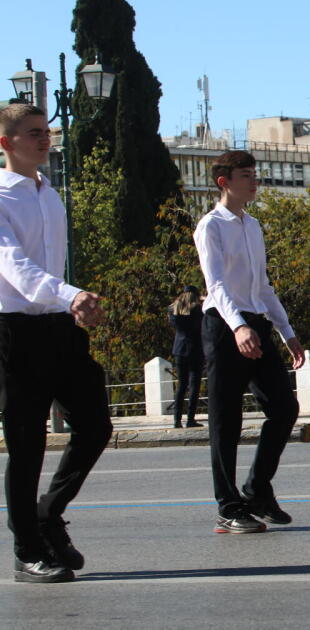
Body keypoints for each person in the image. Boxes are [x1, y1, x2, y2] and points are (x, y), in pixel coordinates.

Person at [0, 103, 113, 583]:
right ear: (6, 143)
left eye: (46, 132)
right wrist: (73, 294)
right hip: (15, 332)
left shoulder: (50, 195)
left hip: (58, 326)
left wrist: (73, 303)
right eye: (32, 134)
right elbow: (18, 271)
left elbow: (51, 270)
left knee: (96, 425)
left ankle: (49, 512)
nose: (44, 140)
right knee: (27, 445)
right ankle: (28, 549)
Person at [194, 150, 306, 534]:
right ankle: (228, 505)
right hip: (224, 325)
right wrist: (239, 327)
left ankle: (257, 488)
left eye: (255, 174)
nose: (254, 181)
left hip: (254, 321)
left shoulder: (252, 225)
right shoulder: (211, 226)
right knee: (226, 421)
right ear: (225, 182)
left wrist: (287, 332)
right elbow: (217, 285)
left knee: (284, 408)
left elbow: (262, 285)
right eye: (246, 175)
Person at [169, 285, 204, 428]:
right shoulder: (198, 310)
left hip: (180, 349)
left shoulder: (173, 309)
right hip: (196, 349)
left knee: (181, 385)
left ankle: (177, 420)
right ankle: (190, 418)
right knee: (194, 385)